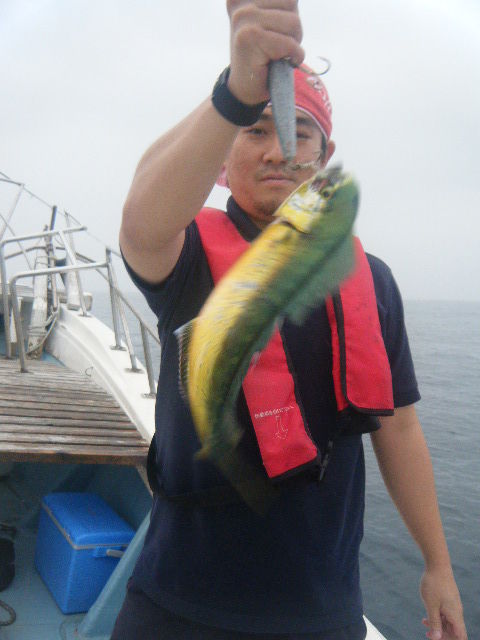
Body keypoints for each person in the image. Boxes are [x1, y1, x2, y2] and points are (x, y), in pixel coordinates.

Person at [115, 2, 467, 639]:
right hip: (178, 601)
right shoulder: (188, 257)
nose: (278, 149)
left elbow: (400, 427)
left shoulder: (372, 279)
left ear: (324, 156)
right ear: (222, 158)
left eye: (299, 133)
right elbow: (141, 224)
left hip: (321, 612)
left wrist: (437, 564)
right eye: (255, 131)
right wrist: (234, 93)